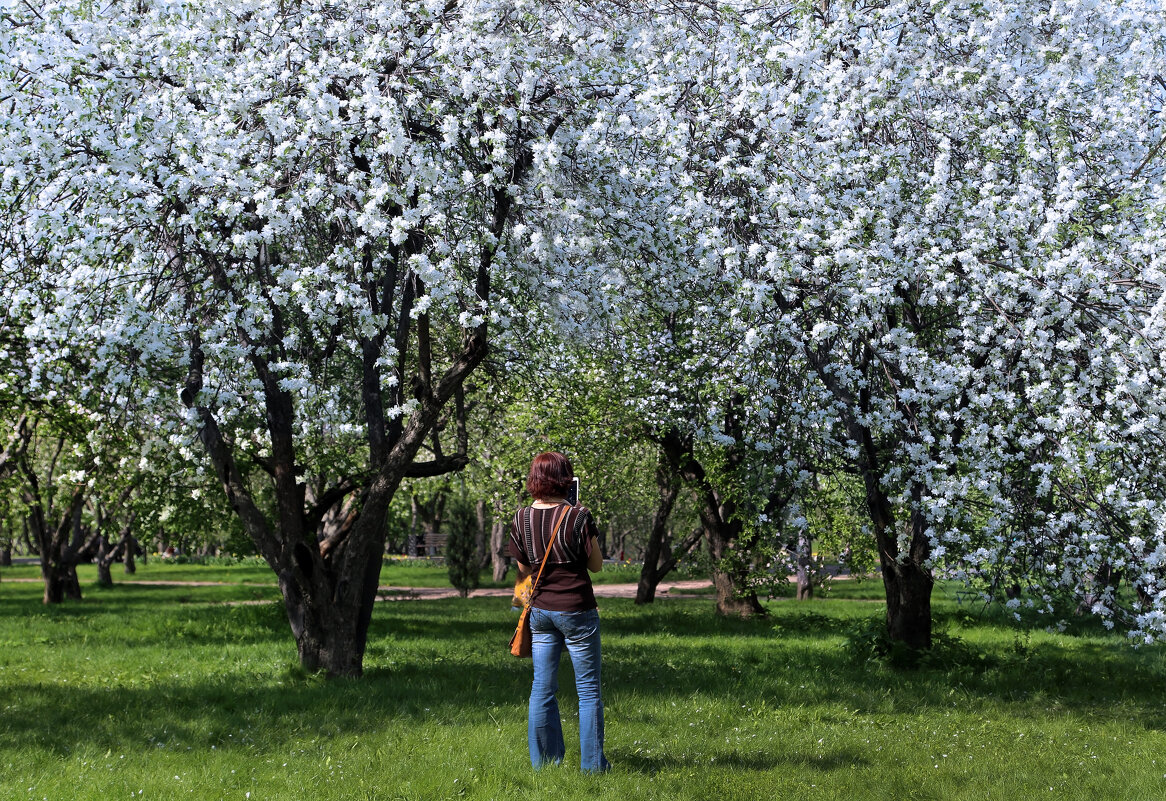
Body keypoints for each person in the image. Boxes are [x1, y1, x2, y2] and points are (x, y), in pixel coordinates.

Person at [509, 451, 610, 773]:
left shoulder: (521, 518)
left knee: (542, 687)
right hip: (577, 610)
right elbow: (595, 566)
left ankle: (545, 764)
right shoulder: (578, 516)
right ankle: (593, 768)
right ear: (566, 479)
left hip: (540, 611)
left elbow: (524, 567)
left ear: (535, 480)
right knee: (588, 689)